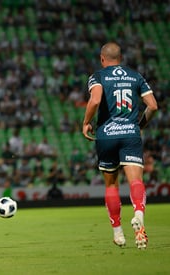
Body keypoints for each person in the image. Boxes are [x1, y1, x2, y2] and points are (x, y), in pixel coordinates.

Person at [82, 42, 158, 249]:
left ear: (102, 58)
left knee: (111, 184)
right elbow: (153, 105)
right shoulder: (135, 76)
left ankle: (118, 233)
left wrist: (86, 121)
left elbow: (95, 100)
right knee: (135, 181)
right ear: (121, 57)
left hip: (106, 135)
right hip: (130, 134)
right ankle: (139, 215)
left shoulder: (98, 76)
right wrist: (140, 124)